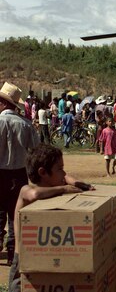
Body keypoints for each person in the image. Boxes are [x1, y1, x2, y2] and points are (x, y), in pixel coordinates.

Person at [9, 144, 93, 292]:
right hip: (22, 262)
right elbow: (34, 194)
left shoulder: (52, 183)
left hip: (41, 261)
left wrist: (76, 183)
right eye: (59, 169)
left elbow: (66, 177)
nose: (64, 173)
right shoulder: (26, 190)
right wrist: (64, 188)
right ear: (43, 172)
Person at [0, 82, 39, 267]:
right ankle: (12, 255)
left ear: (3, 103)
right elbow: (36, 152)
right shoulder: (26, 124)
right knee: (15, 215)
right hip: (19, 175)